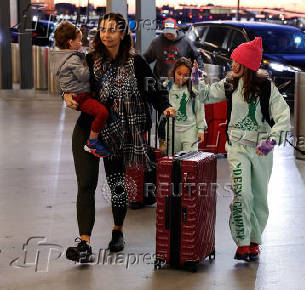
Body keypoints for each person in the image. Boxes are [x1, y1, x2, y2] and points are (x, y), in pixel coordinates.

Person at [62, 13, 176, 263]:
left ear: (123, 34)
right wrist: (66, 95)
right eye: (103, 30)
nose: (106, 34)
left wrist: (165, 106)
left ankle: (118, 230)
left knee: (116, 183)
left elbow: (154, 88)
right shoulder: (89, 60)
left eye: (112, 30)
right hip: (88, 128)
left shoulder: (136, 63)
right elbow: (71, 83)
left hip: (119, 130)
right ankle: (84, 243)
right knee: (86, 185)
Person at [192, 37, 291, 261]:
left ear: (247, 65)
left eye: (237, 62)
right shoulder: (230, 83)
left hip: (261, 151)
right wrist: (196, 78)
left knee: (259, 198)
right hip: (236, 148)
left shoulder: (266, 88)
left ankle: (254, 241)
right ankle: (242, 242)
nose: (232, 65)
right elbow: (205, 95)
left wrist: (271, 142)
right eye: (232, 61)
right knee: (242, 194)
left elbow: (283, 117)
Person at [144, 17, 204, 152]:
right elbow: (146, 59)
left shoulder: (186, 41)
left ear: (176, 29)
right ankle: (163, 141)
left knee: (185, 109)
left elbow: (197, 56)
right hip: (163, 85)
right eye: (166, 32)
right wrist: (147, 77)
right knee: (164, 116)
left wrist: (199, 72)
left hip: (183, 83)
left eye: (170, 32)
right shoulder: (157, 42)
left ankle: (185, 137)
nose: (168, 34)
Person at [52, 21, 110, 158]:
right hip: (82, 98)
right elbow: (83, 76)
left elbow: (62, 79)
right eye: (79, 41)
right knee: (102, 113)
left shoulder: (60, 57)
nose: (82, 44)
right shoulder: (74, 59)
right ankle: (92, 143)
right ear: (71, 42)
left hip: (81, 98)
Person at [163, 57, 206, 153]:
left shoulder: (193, 89)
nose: (181, 77)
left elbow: (200, 109)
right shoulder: (166, 86)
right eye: (179, 73)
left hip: (190, 131)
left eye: (186, 75)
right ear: (174, 71)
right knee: (173, 163)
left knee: (189, 162)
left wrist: (201, 129)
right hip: (171, 131)